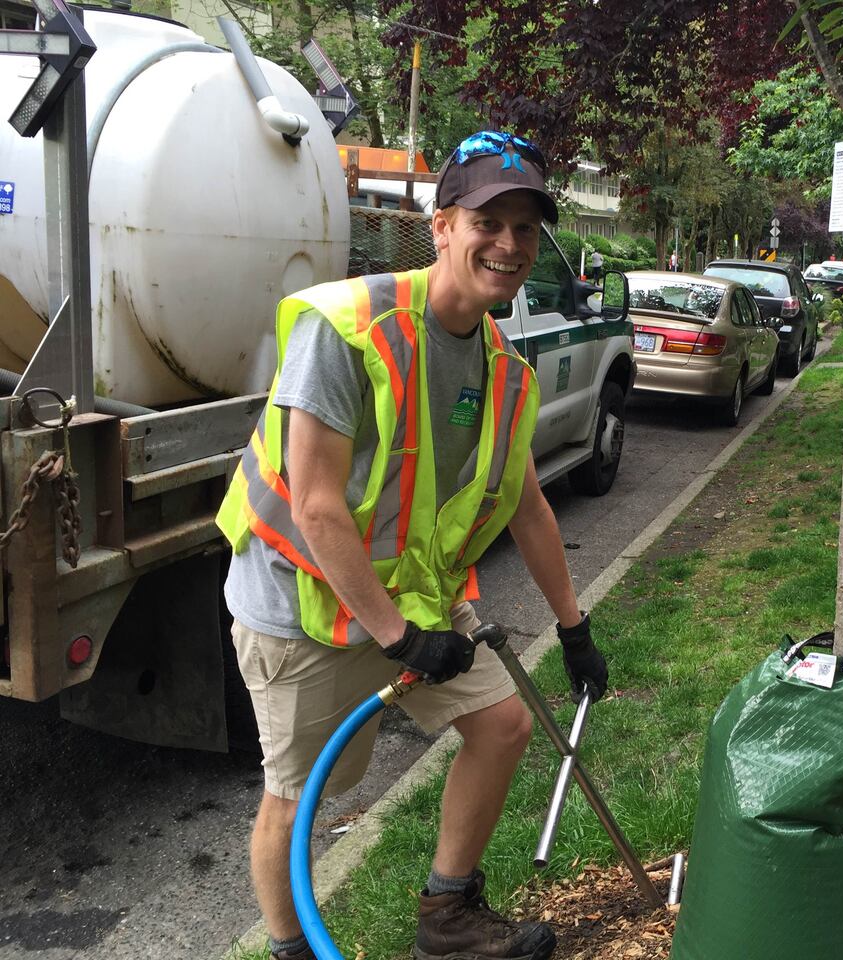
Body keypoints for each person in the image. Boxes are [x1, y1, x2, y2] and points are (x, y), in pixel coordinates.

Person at [216, 130, 607, 960]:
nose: (507, 245)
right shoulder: (348, 326)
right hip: (302, 604)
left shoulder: (502, 366)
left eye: (525, 229)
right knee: (298, 796)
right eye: (487, 221)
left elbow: (527, 502)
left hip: (413, 599)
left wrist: (574, 626)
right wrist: (398, 638)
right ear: (442, 225)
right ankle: (293, 949)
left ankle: (448, 915)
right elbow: (318, 506)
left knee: (502, 722)